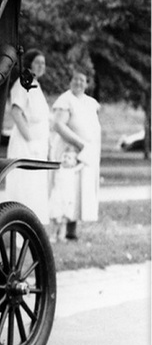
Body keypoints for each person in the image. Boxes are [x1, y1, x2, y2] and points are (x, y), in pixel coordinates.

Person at [49, 69, 101, 240]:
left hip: (86, 152)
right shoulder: (65, 100)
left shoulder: (91, 102)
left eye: (82, 80)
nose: (78, 83)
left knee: (81, 190)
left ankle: (72, 229)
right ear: (70, 81)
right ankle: (59, 230)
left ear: (87, 83)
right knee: (66, 190)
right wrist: (78, 143)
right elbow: (58, 125)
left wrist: (88, 146)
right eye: (75, 79)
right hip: (69, 151)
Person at [5, 49, 50, 223]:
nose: (41, 66)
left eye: (43, 63)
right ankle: (20, 230)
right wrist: (31, 141)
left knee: (36, 187)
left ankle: (33, 227)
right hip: (25, 144)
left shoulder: (35, 85)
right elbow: (16, 113)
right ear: (29, 63)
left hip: (38, 144)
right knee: (24, 186)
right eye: (37, 62)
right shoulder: (23, 83)